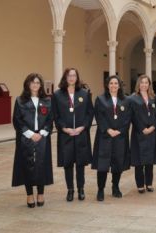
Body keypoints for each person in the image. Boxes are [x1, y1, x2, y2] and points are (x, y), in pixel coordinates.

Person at [12, 73, 54, 208]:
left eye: (37, 82)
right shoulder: (20, 100)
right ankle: (29, 194)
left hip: (42, 136)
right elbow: (17, 120)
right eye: (32, 82)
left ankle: (40, 193)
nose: (35, 85)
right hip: (26, 137)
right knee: (26, 164)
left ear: (40, 85)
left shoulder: (47, 101)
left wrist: (42, 133)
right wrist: (30, 134)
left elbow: (50, 120)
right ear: (28, 84)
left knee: (42, 164)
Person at [52, 68, 94, 202]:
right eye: (69, 75)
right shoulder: (58, 95)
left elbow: (90, 113)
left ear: (77, 77)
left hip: (81, 133)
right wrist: (64, 128)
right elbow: (55, 115)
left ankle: (81, 189)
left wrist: (83, 127)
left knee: (80, 163)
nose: (71, 78)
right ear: (65, 77)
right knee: (68, 163)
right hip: (66, 135)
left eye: (74, 75)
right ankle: (70, 189)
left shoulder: (84, 93)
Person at [92, 75, 131, 201]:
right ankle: (100, 189)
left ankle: (115, 187)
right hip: (105, 136)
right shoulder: (100, 99)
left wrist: (119, 131)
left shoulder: (125, 100)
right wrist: (108, 130)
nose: (113, 86)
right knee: (102, 164)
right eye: (111, 83)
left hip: (120, 137)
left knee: (117, 163)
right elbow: (99, 116)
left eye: (116, 83)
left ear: (119, 85)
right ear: (107, 85)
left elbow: (127, 118)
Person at [129, 74, 156, 194]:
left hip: (152, 132)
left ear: (149, 85)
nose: (144, 85)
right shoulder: (132, 99)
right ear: (138, 84)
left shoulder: (154, 98)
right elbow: (133, 116)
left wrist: (152, 127)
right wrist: (142, 128)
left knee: (149, 160)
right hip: (138, 133)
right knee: (139, 160)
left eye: (146, 83)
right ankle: (140, 184)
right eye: (142, 82)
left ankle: (149, 183)